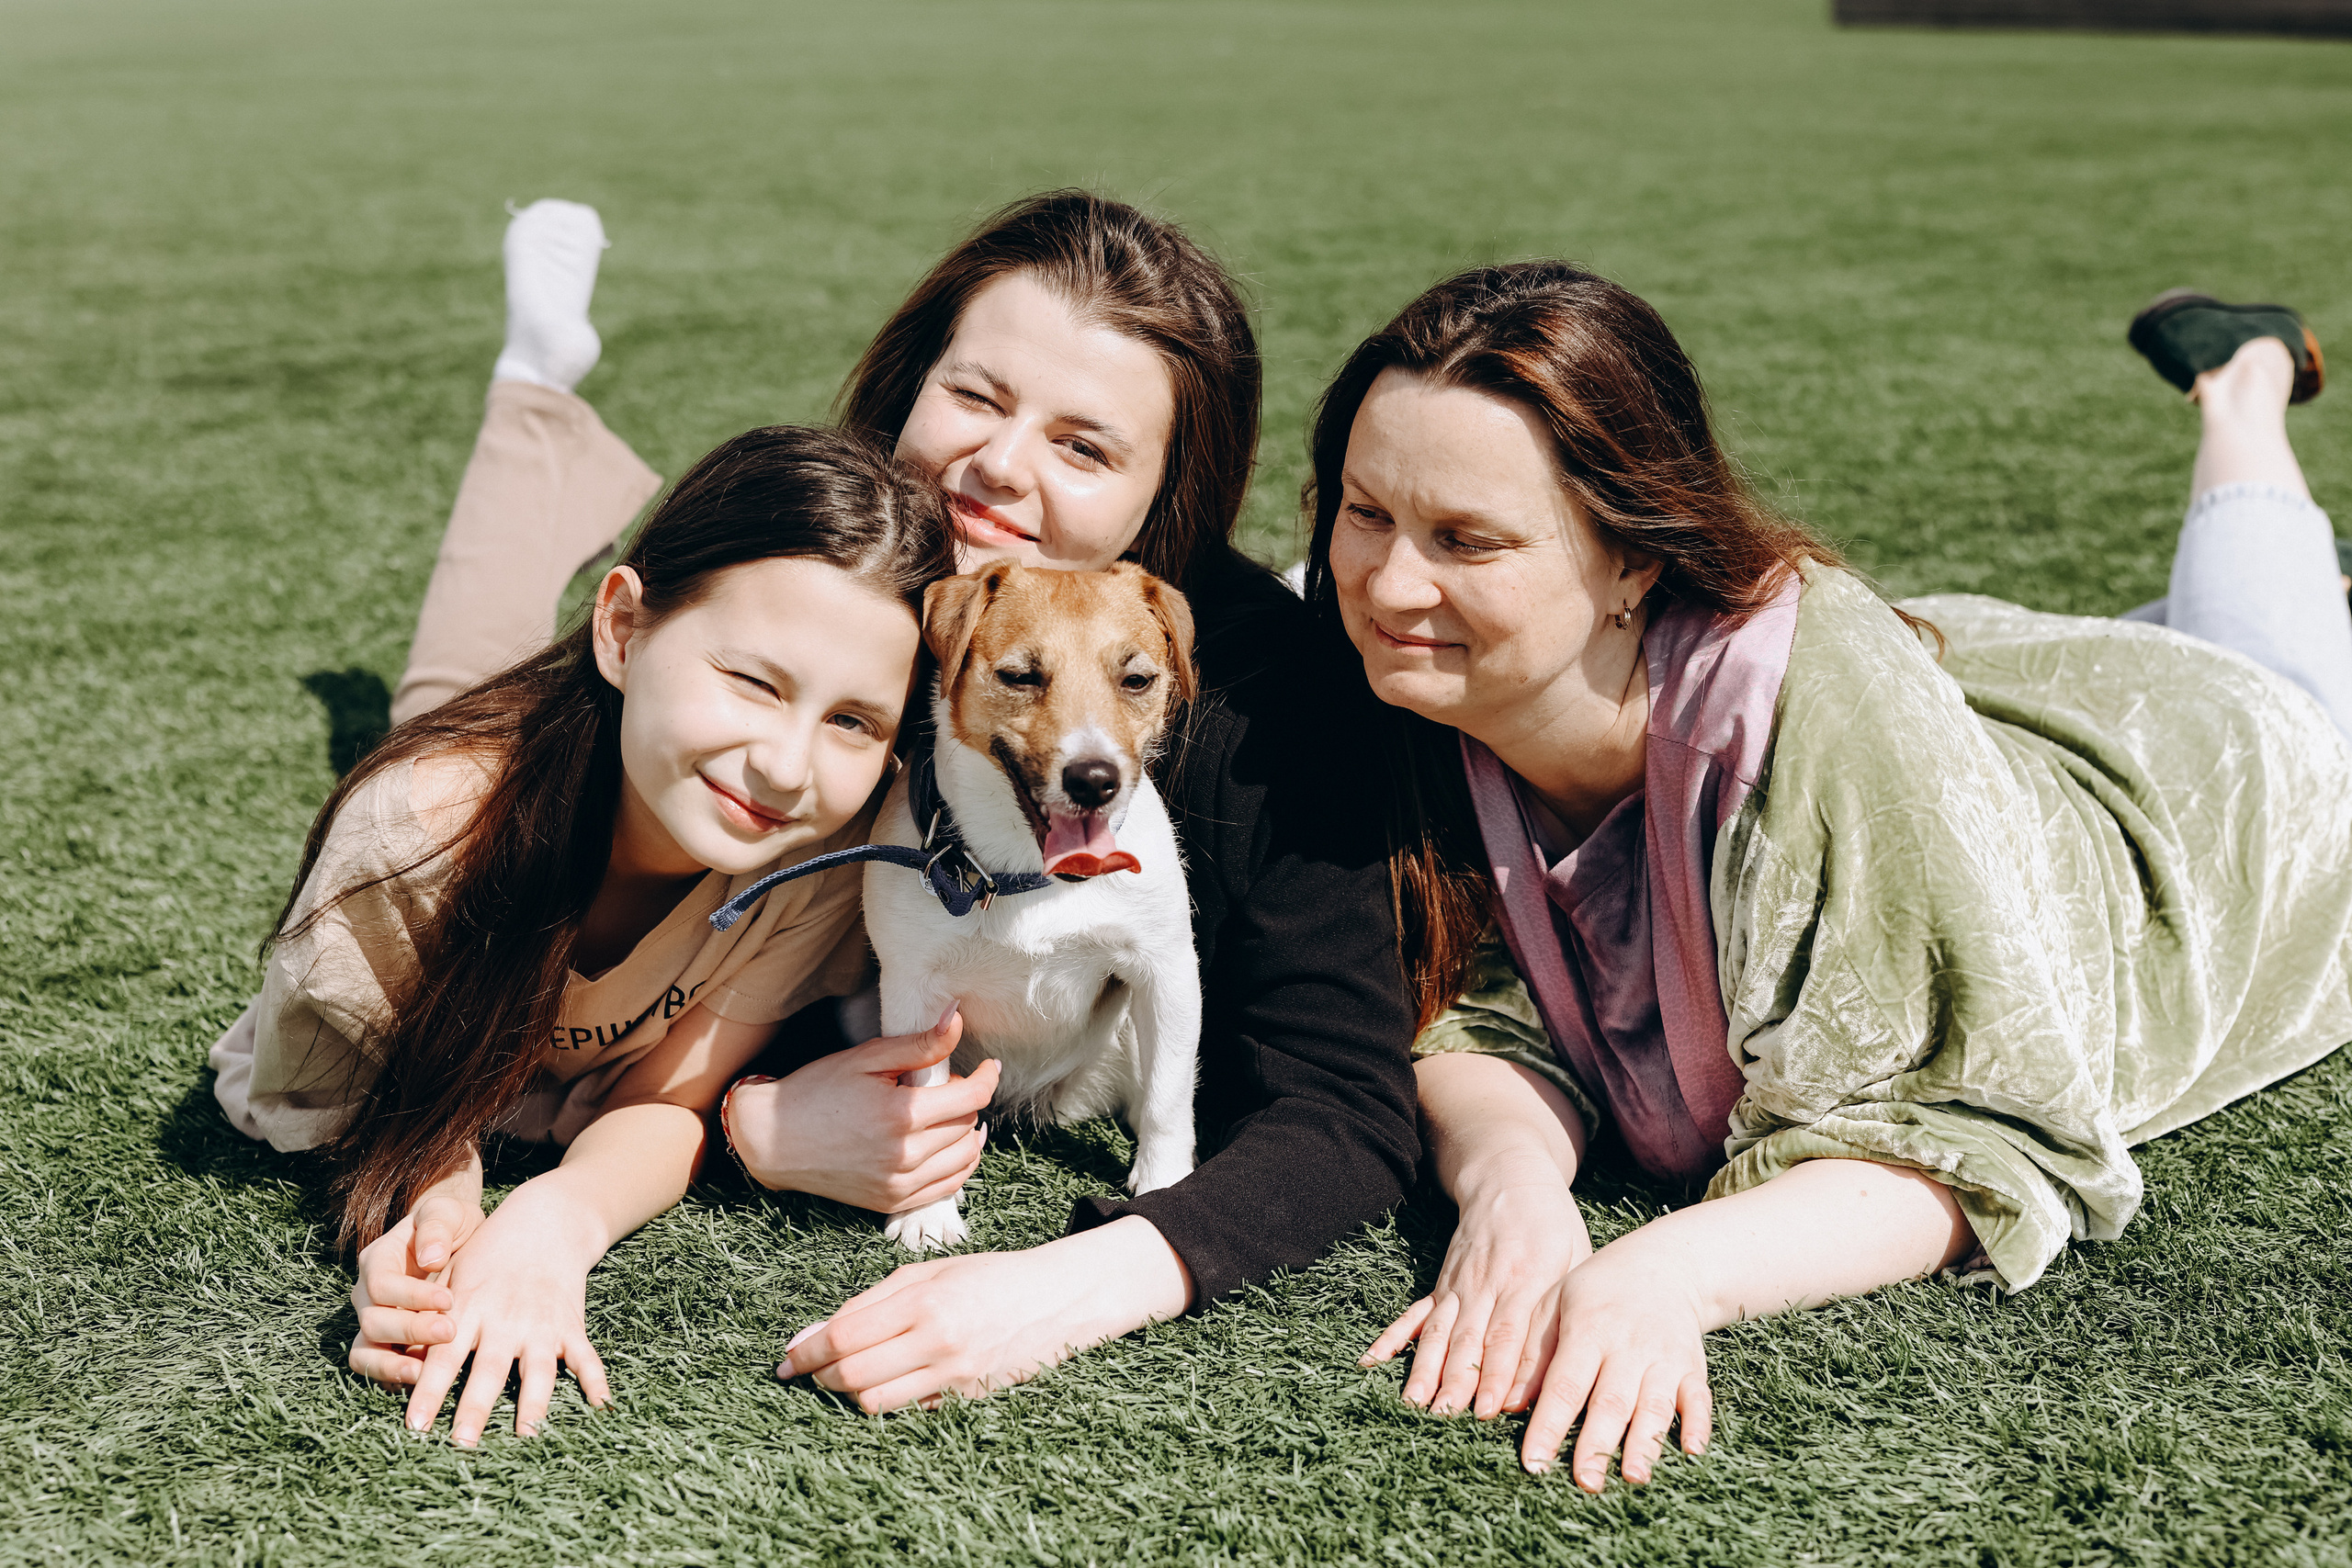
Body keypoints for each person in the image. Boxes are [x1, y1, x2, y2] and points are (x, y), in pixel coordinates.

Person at [288, 193, 1423, 1424]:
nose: (999, 465)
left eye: (1085, 448)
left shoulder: (1244, 707)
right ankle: (534, 389)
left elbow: (1343, 1095)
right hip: (602, 777)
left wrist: (1058, 1281)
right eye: (976, 399)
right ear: (905, 385)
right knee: (475, 724)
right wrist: (747, 1126)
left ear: (1169, 499)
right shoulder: (837, 566)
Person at [1301, 265, 2350, 1488]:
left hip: (2202, 823)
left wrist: (1666, 1269)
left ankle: (2243, 386)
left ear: (1633, 559)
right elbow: (1479, 1016)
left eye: (1466, 540)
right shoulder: (1389, 676)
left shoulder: (1799, 713)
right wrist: (1514, 1188)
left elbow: (1959, 1132)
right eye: (1365, 513)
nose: (1386, 585)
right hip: (1977, 712)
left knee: (2294, 689)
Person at [208, 200, 962, 1446]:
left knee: (460, 689)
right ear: (623, 627)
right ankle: (531, 378)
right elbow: (369, 1086)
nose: (784, 764)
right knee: (443, 714)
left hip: (585, 759)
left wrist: (554, 1223)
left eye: (852, 720)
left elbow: (665, 1101)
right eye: (753, 679)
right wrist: (425, 1196)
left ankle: (537, 382)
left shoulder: (830, 841)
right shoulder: (410, 844)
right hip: (495, 795)